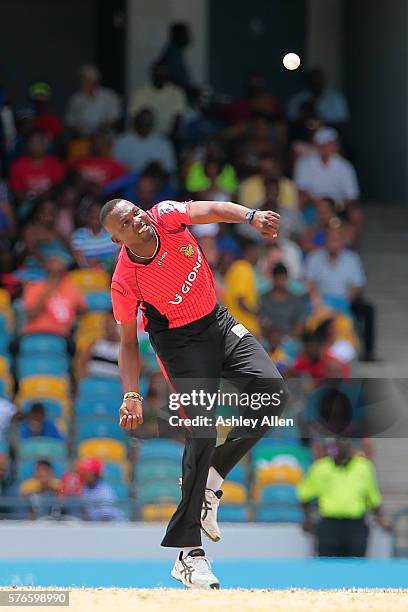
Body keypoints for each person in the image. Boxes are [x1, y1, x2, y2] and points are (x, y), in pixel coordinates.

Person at [99, 196, 287, 588]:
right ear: (119, 240)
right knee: (201, 431)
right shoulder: (125, 280)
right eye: (127, 224)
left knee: (273, 394)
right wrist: (130, 394)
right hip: (179, 344)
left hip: (216, 322)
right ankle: (189, 556)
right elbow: (129, 343)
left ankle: (212, 477)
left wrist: (250, 216)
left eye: (135, 212)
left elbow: (212, 210)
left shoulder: (165, 216)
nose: (138, 220)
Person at [297, 438, 391, 557]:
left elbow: (373, 497)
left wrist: (381, 519)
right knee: (327, 566)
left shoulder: (364, 467)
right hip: (329, 525)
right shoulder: (320, 467)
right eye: (337, 444)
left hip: (356, 525)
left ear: (351, 448)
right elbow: (304, 495)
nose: (341, 447)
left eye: (345, 444)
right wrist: (307, 519)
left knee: (356, 566)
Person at [305, 225, 376, 361]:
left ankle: (367, 352)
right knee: (310, 318)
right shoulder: (315, 257)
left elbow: (356, 285)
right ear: (325, 241)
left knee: (367, 310)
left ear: (342, 241)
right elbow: (311, 284)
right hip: (321, 301)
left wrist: (344, 303)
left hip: (344, 300)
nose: (333, 243)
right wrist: (318, 303)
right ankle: (313, 352)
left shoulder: (351, 258)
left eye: (336, 239)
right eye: (330, 239)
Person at [294, 127, 360, 208]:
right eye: (322, 144)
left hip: (337, 207)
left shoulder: (345, 166)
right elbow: (301, 190)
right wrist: (320, 204)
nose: (325, 148)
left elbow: (352, 195)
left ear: (335, 145)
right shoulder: (304, 163)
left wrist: (337, 206)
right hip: (313, 206)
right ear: (316, 145)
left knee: (356, 214)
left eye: (329, 144)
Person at [23, 256, 87, 338]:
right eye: (52, 272)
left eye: (59, 272)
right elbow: (31, 315)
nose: (55, 275)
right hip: (35, 332)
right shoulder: (34, 287)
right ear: (46, 271)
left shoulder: (72, 288)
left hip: (62, 334)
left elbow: (82, 310)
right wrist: (47, 292)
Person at [128, 61, 187, 137]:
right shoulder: (140, 93)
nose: (160, 75)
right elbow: (133, 118)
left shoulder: (177, 93)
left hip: (169, 136)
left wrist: (170, 139)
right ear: (152, 73)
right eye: (158, 72)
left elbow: (179, 119)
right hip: (144, 136)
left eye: (163, 72)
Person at [113, 108, 176, 175]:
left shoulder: (163, 143)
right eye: (142, 120)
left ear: (152, 123)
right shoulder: (122, 141)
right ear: (135, 121)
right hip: (129, 181)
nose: (145, 123)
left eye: (148, 121)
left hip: (156, 182)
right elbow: (115, 168)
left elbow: (169, 170)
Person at [65, 65, 121, 137]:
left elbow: (116, 119)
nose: (83, 82)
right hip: (83, 140)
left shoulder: (109, 96)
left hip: (105, 139)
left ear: (94, 81)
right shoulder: (75, 99)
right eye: (82, 80)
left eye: (86, 80)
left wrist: (102, 128)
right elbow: (70, 122)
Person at [9, 130, 65, 201]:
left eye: (39, 142)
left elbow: (59, 187)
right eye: (33, 143)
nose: (36, 146)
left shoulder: (55, 164)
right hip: (27, 203)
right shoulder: (17, 166)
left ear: (45, 144)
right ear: (27, 145)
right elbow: (17, 192)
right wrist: (33, 198)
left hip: (51, 201)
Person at [223, 241, 261, 337]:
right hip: (242, 327)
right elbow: (240, 300)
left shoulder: (237, 267)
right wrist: (257, 313)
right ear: (250, 252)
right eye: (257, 253)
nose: (258, 257)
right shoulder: (243, 268)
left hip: (236, 326)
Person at [71, 201, 119, 271]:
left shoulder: (113, 233)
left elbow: (119, 256)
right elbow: (79, 258)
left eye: (98, 214)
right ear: (87, 216)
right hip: (89, 275)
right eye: (92, 214)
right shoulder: (79, 235)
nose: (95, 215)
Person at [260, 264, 305, 337]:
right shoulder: (263, 299)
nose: (281, 282)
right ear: (273, 279)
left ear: (287, 279)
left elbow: (299, 326)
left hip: (289, 341)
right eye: (278, 279)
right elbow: (260, 323)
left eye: (283, 279)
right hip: (267, 340)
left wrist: (286, 338)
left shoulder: (296, 300)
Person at [77, 457, 125, 522]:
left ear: (95, 474)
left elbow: (105, 519)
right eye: (84, 471)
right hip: (96, 526)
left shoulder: (105, 491)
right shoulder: (85, 488)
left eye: (87, 472)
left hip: (114, 527)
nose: (84, 474)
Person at [78, 312, 120, 380]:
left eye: (111, 324)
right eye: (107, 324)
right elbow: (82, 363)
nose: (109, 328)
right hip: (93, 382)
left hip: (115, 385)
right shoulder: (94, 344)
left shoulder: (125, 349)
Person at [157, 22, 193, 93]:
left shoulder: (177, 51)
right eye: (185, 33)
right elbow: (174, 80)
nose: (189, 37)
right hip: (175, 97)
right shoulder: (173, 53)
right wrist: (190, 89)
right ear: (178, 35)